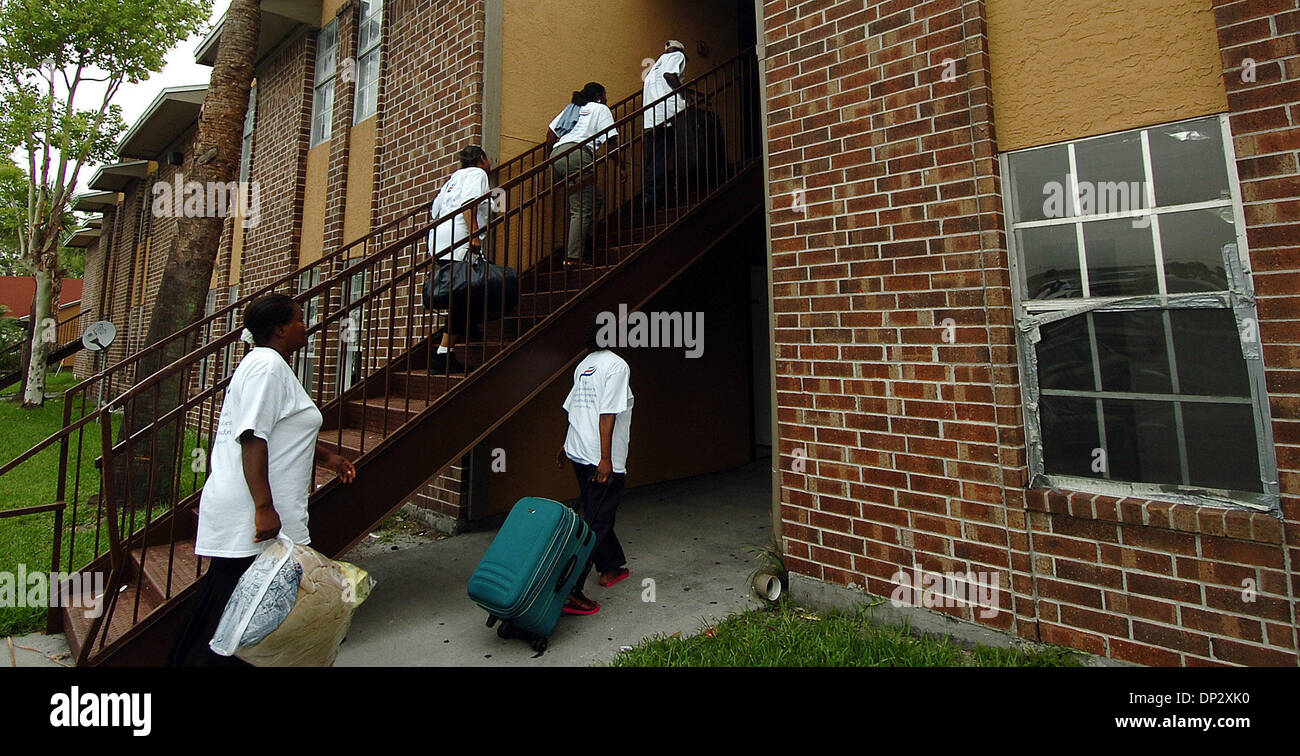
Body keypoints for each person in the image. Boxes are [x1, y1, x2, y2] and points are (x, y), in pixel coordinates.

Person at [168, 294, 356, 666]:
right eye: (300, 319)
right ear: (281, 329)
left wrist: (329, 457)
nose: (307, 325)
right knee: (247, 626)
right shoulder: (267, 366)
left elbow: (283, 429)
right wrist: (264, 509)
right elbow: (252, 435)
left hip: (255, 512)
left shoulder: (270, 365)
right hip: (252, 515)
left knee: (232, 616)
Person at [555, 321, 634, 616]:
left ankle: (611, 568)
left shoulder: (584, 365)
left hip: (578, 451)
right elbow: (606, 415)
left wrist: (566, 445)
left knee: (596, 512)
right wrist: (605, 459)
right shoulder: (617, 366)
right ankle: (570, 589)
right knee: (596, 523)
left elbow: (576, 408)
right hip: (598, 457)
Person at [428, 145, 497, 373]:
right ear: (481, 159)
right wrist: (475, 235)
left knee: (464, 291)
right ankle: (442, 355)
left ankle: (469, 327)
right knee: (464, 294)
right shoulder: (478, 174)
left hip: (439, 239)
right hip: (459, 239)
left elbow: (435, 209)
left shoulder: (453, 178)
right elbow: (469, 203)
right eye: (488, 159)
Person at [548, 82, 623, 268]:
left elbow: (550, 133)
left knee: (595, 198)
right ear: (598, 95)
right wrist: (621, 166)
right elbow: (611, 140)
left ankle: (585, 240)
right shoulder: (601, 109)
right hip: (577, 156)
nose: (606, 99)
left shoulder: (573, 108)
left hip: (557, 156)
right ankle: (573, 258)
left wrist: (550, 159)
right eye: (605, 95)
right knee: (581, 208)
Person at [641, 40, 692, 211]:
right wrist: (686, 95)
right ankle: (660, 197)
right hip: (668, 116)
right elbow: (670, 75)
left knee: (654, 159)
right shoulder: (677, 56)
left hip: (651, 120)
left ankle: (649, 197)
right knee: (666, 156)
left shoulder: (654, 68)